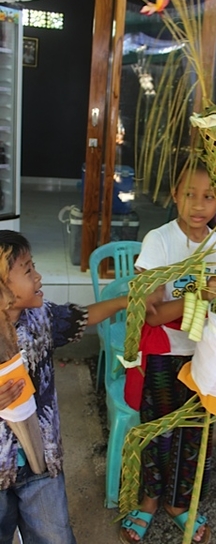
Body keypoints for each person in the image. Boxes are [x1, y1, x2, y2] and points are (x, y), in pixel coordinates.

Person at [0, 229, 136, 544]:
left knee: (54, 536)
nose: (39, 276)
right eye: (28, 270)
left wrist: (124, 301)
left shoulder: (41, 319)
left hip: (42, 464)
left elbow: (83, 317)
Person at [121, 159, 216, 543]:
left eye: (209, 197)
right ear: (174, 195)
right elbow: (151, 314)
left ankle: (179, 504)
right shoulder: (160, 241)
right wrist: (197, 293)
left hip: (205, 355)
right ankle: (150, 500)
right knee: (157, 432)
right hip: (164, 353)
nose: (199, 205)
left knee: (195, 434)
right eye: (189, 194)